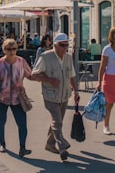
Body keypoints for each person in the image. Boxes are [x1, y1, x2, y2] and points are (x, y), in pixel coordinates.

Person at [31, 33, 79, 161]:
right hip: (50, 95)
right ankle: (62, 146)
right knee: (57, 121)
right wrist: (49, 80)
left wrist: (76, 92)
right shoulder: (45, 57)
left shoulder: (68, 58)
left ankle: (50, 144)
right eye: (62, 45)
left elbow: (72, 75)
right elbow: (34, 75)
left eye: (67, 45)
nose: (65, 48)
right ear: (55, 45)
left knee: (57, 121)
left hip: (64, 95)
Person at [0, 38, 34, 157]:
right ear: (4, 50)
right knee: (1, 121)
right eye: (9, 49)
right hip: (1, 98)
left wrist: (46, 77)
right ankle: (2, 144)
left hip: (17, 98)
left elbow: (30, 75)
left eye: (14, 49)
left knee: (22, 124)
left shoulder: (21, 61)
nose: (12, 51)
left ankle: (22, 148)